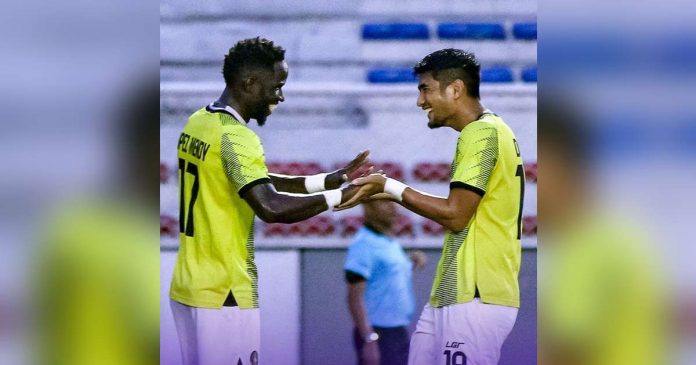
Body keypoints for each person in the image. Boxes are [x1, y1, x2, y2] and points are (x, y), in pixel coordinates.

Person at [168, 37, 368, 365]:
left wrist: (322, 182)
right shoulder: (238, 137)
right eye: (276, 87)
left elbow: (249, 181)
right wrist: (340, 197)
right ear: (250, 84)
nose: (280, 96)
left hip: (189, 287)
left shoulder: (199, 122)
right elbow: (270, 207)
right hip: (225, 292)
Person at [338, 49, 523, 365]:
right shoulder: (487, 131)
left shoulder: (482, 132)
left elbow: (456, 214)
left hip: (476, 297)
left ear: (455, 90)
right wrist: (388, 191)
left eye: (425, 89)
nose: (420, 101)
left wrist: (391, 187)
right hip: (451, 297)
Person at [344, 200, 426, 365]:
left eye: (393, 202)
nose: (393, 207)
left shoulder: (388, 241)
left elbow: (386, 275)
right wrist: (369, 339)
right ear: (368, 207)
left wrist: (410, 263)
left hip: (397, 330)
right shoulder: (364, 244)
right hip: (379, 333)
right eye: (385, 202)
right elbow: (354, 297)